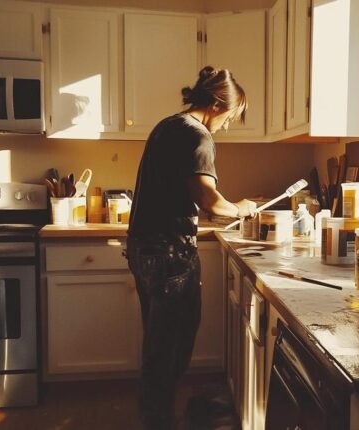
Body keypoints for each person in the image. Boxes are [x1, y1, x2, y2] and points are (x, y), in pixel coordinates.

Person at [126, 66, 257, 430]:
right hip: (169, 253)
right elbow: (210, 203)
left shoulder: (167, 125)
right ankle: (160, 421)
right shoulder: (197, 136)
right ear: (217, 105)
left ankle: (155, 416)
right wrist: (243, 208)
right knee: (172, 345)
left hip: (144, 248)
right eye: (230, 115)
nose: (228, 124)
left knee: (157, 342)